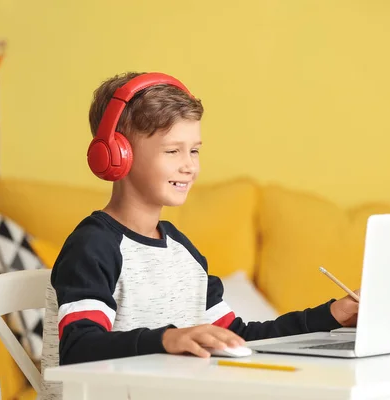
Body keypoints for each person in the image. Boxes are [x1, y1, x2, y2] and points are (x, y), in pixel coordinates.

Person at [40, 72, 359, 399]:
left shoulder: (181, 250)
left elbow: (235, 336)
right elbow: (78, 348)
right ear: (117, 156)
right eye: (172, 151)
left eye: (194, 151)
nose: (190, 166)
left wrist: (331, 315)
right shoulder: (94, 246)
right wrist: (167, 339)